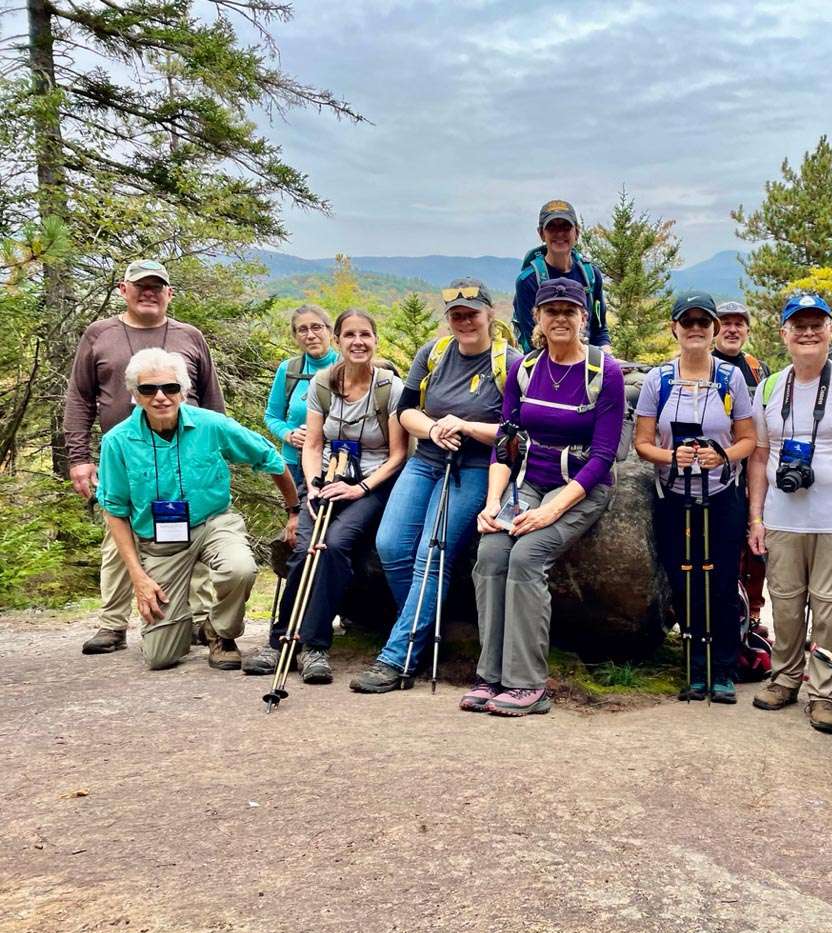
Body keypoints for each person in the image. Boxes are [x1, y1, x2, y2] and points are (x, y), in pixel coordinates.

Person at [350, 280, 521, 693]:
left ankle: (399, 656)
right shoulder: (434, 353)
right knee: (390, 544)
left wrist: (465, 426)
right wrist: (432, 429)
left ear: (489, 315)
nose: (464, 321)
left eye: (472, 313)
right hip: (426, 461)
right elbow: (406, 410)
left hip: (477, 467)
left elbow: (513, 432)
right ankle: (422, 629)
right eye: (457, 315)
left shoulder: (509, 363)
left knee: (432, 553)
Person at [468, 277, 624, 717]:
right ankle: (491, 675)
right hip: (528, 483)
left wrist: (551, 510)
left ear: (583, 318)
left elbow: (604, 456)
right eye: (551, 310)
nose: (560, 318)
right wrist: (493, 503)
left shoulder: (603, 373)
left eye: (569, 311)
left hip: (580, 488)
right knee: (493, 553)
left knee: (527, 556)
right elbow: (506, 439)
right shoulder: (525, 369)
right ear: (537, 317)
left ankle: (526, 684)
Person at [95, 348, 299, 670]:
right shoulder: (117, 442)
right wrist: (138, 578)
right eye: (149, 389)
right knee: (162, 657)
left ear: (184, 391)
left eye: (170, 388)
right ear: (135, 394)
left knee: (240, 568)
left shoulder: (212, 425)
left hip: (214, 522)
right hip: (159, 541)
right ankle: (187, 625)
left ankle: (220, 632)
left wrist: (294, 510)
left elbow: (270, 458)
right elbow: (115, 511)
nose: (161, 397)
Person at [65, 259, 225, 656]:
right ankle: (112, 622)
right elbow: (80, 398)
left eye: (158, 286)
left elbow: (211, 399)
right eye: (141, 286)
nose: (149, 292)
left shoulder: (190, 336)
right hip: (124, 456)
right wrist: (80, 457)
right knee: (118, 533)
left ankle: (199, 619)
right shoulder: (99, 334)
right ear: (124, 290)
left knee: (192, 530)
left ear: (169, 294)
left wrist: (216, 452)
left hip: (184, 458)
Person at [242, 309, 406, 684]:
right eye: (349, 335)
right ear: (338, 340)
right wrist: (313, 484)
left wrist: (359, 488)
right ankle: (281, 641)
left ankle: (314, 645)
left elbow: (398, 455)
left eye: (365, 334)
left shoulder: (389, 388)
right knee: (304, 549)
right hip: (328, 478)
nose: (358, 342)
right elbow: (313, 443)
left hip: (372, 485)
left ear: (375, 339)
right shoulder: (322, 384)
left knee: (331, 546)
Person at [747, 292, 832, 734]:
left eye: (816, 325)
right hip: (783, 517)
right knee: (785, 605)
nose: (807, 333)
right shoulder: (770, 387)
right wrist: (756, 516)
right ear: (784, 333)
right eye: (798, 326)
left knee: (828, 611)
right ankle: (785, 677)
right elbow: (758, 457)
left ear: (830, 331)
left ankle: (823, 693)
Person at [634, 292, 757, 702]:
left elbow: (748, 440)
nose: (695, 329)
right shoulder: (659, 379)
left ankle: (722, 667)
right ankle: (693, 665)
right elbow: (643, 443)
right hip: (674, 495)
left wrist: (719, 455)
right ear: (675, 328)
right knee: (683, 578)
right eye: (687, 322)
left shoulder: (731, 379)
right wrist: (673, 456)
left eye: (703, 322)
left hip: (721, 494)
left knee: (721, 580)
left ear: (714, 330)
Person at [713, 300, 771, 634]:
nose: (732, 329)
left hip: (753, 466)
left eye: (739, 324)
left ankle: (753, 611)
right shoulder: (704, 365)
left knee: (755, 543)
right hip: (717, 465)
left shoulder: (755, 367)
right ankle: (727, 609)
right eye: (725, 323)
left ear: (747, 330)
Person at [513, 200, 611, 353]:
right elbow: (533, 341)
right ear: (541, 234)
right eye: (552, 227)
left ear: (576, 232)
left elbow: (599, 329)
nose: (559, 233)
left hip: (589, 358)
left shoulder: (591, 275)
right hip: (547, 360)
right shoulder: (528, 281)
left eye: (566, 227)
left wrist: (606, 357)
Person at [264, 305, 339, 490]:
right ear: (295, 337)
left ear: (330, 332)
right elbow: (272, 416)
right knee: (297, 518)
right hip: (294, 462)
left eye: (316, 327)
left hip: (337, 462)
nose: (310, 335)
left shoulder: (345, 367)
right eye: (302, 330)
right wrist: (289, 434)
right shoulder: (289, 370)